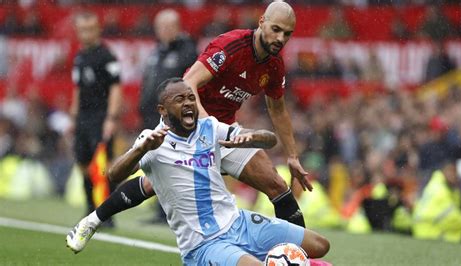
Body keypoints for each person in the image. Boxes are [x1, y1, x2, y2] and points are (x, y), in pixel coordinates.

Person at [67, 0, 311, 250]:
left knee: (277, 186)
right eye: (276, 29)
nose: (281, 38)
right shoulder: (231, 46)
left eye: (287, 34)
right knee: (152, 185)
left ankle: (300, 256)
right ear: (262, 22)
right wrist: (206, 128)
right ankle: (91, 221)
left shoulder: (274, 65)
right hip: (184, 124)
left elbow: (278, 108)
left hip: (223, 130)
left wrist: (292, 155)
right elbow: (189, 82)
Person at [67, 78, 330, 265]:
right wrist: (140, 150)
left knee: (320, 246)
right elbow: (112, 175)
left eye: (191, 97)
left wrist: (251, 137)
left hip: (238, 223)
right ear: (163, 109)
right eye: (179, 99)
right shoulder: (152, 140)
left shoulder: (210, 127)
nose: (189, 103)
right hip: (204, 245)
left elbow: (269, 139)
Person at [139, 9, 197, 223]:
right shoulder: (157, 51)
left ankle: (174, 210)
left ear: (176, 27)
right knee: (156, 163)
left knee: (174, 163)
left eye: (166, 27)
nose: (162, 31)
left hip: (174, 119)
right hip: (152, 115)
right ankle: (160, 209)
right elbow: (148, 82)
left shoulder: (188, 51)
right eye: (159, 27)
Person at [69, 11, 122, 220]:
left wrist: (111, 118)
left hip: (101, 116)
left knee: (103, 165)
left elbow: (116, 88)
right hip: (83, 117)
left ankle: (107, 214)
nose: (85, 34)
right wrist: (73, 117)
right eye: (82, 30)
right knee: (82, 162)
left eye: (89, 29)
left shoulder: (107, 55)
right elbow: (77, 88)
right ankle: (90, 207)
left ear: (98, 29)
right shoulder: (80, 57)